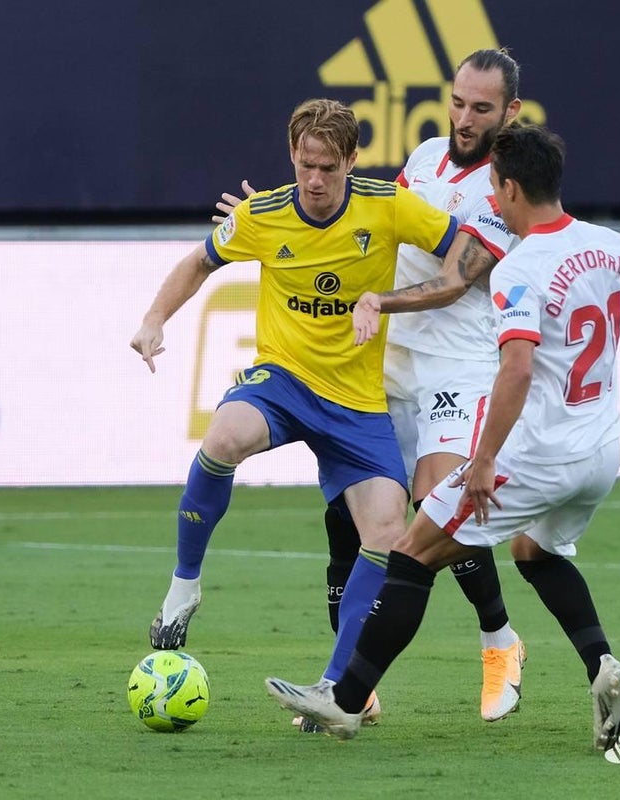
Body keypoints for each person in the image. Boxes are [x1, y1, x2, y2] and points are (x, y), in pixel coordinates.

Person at [265, 122, 620, 751]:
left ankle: (347, 700)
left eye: (495, 189)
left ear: (513, 188)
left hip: (540, 455)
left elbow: (517, 368)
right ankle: (602, 665)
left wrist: (484, 459)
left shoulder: (519, 269)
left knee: (413, 550)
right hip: (602, 451)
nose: (490, 200)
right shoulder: (607, 245)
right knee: (534, 554)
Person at [215, 50, 529, 726]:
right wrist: (278, 216)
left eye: (482, 107)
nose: (465, 118)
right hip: (383, 363)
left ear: (511, 113)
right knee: (350, 526)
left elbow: (453, 282)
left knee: (436, 509)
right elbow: (363, 209)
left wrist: (379, 302)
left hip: (456, 364)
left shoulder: (506, 188)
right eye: (459, 102)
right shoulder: (421, 160)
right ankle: (351, 686)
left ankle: (500, 640)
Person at [132, 98, 458, 726]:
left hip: (358, 403)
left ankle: (335, 694)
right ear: (292, 156)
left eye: (328, 168)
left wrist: (390, 300)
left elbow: (461, 254)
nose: (314, 180)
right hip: (283, 380)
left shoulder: (387, 207)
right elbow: (200, 260)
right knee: (224, 437)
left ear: (352, 161)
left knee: (389, 534)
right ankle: (183, 587)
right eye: (306, 165)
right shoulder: (263, 214)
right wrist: (152, 319)